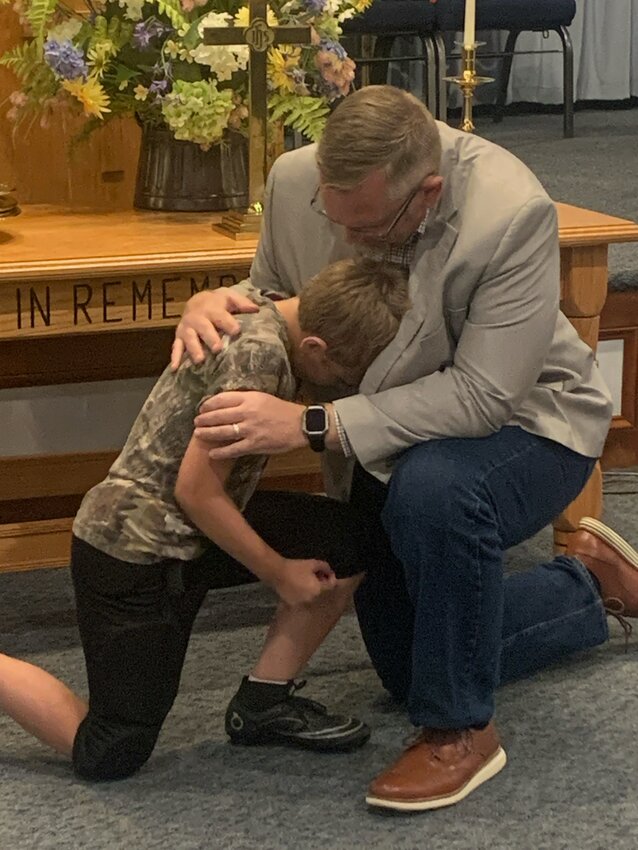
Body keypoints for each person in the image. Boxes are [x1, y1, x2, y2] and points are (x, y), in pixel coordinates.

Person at [172, 85, 638, 812]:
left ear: (428, 193)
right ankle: (586, 584)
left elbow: (484, 395)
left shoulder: (511, 212)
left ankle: (460, 731)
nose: (349, 241)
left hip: (529, 425)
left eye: (370, 228)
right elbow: (277, 297)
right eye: (337, 218)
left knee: (434, 491)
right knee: (407, 665)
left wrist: (314, 424)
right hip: (387, 430)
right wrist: (222, 299)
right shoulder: (297, 183)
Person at [1, 257, 410, 781]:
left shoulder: (262, 305)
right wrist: (278, 572)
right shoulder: (259, 360)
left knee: (353, 537)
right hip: (132, 553)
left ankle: (263, 702)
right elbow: (195, 491)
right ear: (316, 348)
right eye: (345, 376)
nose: (343, 389)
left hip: (196, 532)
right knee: (111, 750)